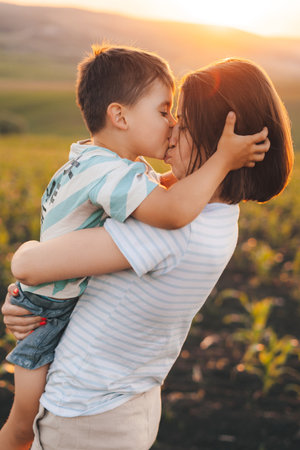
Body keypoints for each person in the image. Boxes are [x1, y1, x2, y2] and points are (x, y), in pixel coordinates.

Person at [2, 58, 293, 450]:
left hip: (84, 416)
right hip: (125, 404)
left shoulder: (170, 230)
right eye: (167, 115)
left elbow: (28, 265)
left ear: (219, 142)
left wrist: (22, 290)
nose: (171, 129)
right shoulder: (220, 214)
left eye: (183, 123)